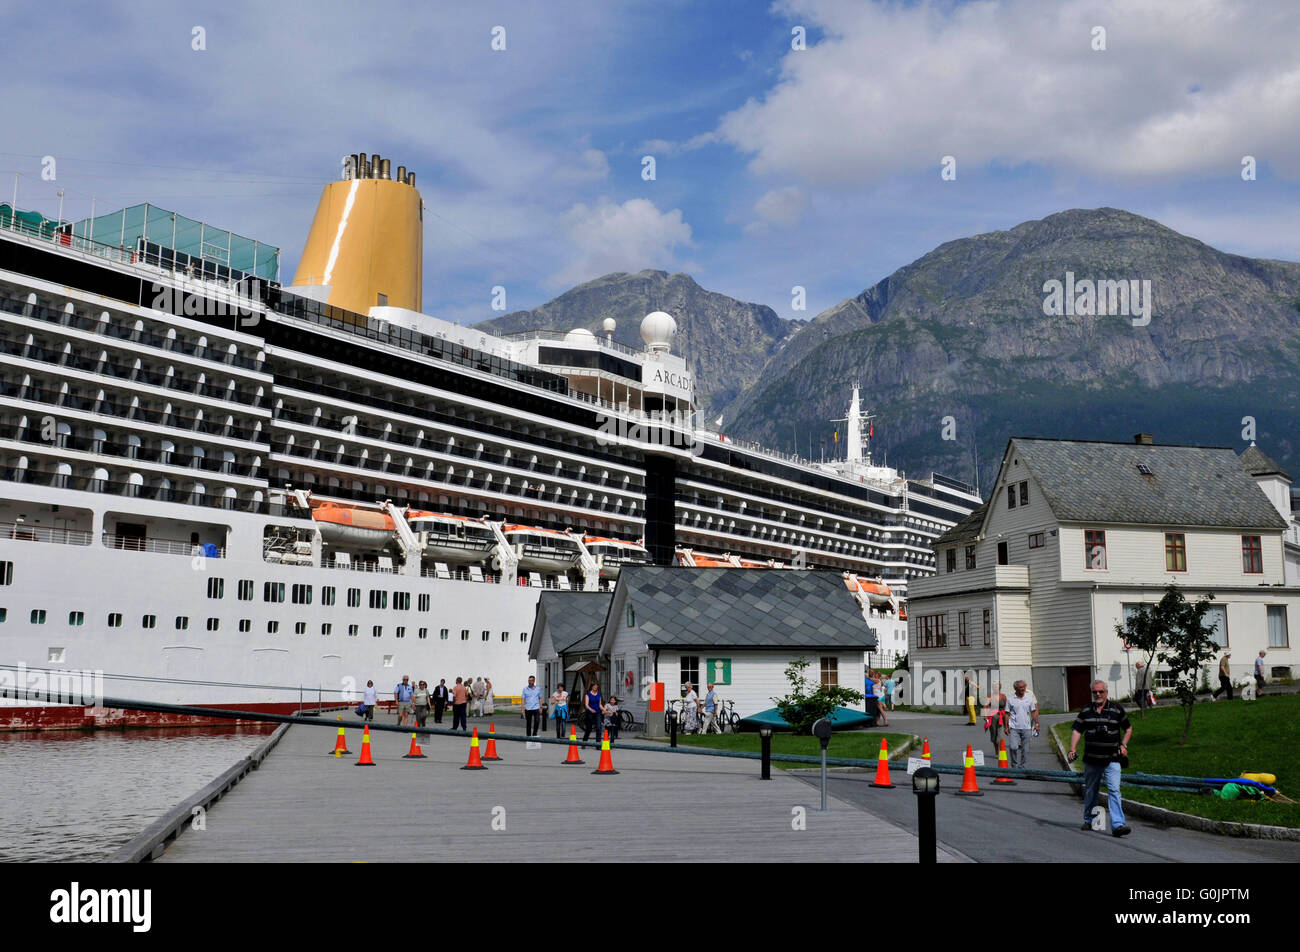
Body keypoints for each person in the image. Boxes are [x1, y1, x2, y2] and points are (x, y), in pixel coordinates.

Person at [1068, 681, 1133, 837]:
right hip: (1091, 759)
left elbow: (1128, 728)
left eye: (1101, 692)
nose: (1098, 695)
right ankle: (1089, 819)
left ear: (1106, 692)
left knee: (1114, 790)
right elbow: (1077, 730)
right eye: (1095, 692)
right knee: (1091, 790)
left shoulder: (1116, 709)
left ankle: (1118, 825)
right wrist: (1073, 749)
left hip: (1112, 759)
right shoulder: (1086, 710)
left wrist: (1124, 745)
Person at [1005, 680, 1039, 768]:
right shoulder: (1010, 699)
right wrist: (1006, 726)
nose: (1023, 689)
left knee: (1025, 749)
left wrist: (1037, 724)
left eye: (1024, 687)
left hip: (1026, 727)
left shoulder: (1029, 698)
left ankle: (1022, 766)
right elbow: (1007, 713)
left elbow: (1033, 712)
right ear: (1015, 688)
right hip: (1014, 727)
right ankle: (1014, 765)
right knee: (1013, 747)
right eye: (1020, 687)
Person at [983, 681, 1006, 750]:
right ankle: (996, 749)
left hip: (1002, 716)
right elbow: (986, 706)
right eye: (994, 687)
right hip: (992, 716)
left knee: (1000, 734)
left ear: (1000, 687)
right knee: (994, 733)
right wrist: (985, 715)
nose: (996, 688)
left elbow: (1007, 706)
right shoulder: (990, 696)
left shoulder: (1003, 696)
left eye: (997, 686)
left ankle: (1000, 749)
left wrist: (1008, 715)